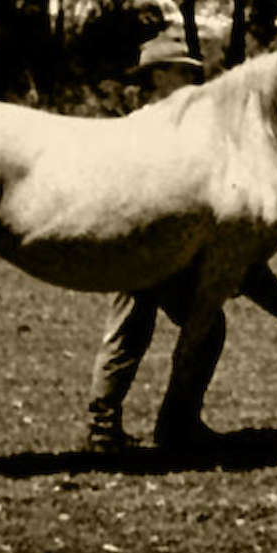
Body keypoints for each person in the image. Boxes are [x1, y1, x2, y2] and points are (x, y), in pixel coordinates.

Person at [85, 29, 212, 452]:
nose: (193, 82)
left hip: (167, 251)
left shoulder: (183, 125)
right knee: (128, 332)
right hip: (139, 248)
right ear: (158, 77)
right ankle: (108, 427)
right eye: (183, 73)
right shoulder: (143, 127)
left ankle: (175, 422)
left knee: (202, 327)